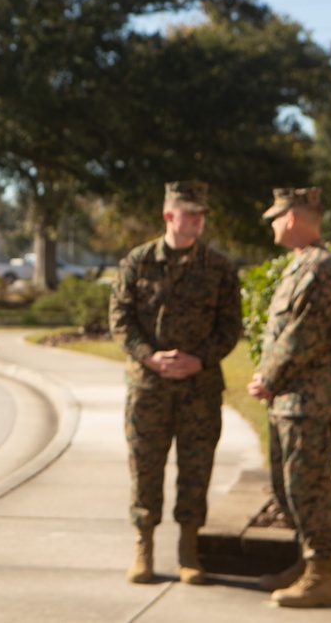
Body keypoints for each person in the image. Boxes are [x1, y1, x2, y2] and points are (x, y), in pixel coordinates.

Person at [109, 181, 242, 585]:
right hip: (148, 387)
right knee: (145, 466)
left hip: (199, 389)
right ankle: (143, 546)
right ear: (169, 215)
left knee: (196, 468)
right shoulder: (138, 261)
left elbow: (231, 325)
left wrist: (198, 360)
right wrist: (148, 355)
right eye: (191, 212)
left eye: (202, 213)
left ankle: (188, 550)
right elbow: (120, 317)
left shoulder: (219, 267)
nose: (198, 220)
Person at [247, 187, 331, 608]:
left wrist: (267, 376)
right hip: (289, 399)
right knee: (287, 485)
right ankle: (307, 563)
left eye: (275, 217)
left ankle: (321, 574)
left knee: (308, 485)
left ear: (291, 218)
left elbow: (302, 335)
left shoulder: (320, 267)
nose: (271, 225)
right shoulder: (299, 265)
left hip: (308, 400)